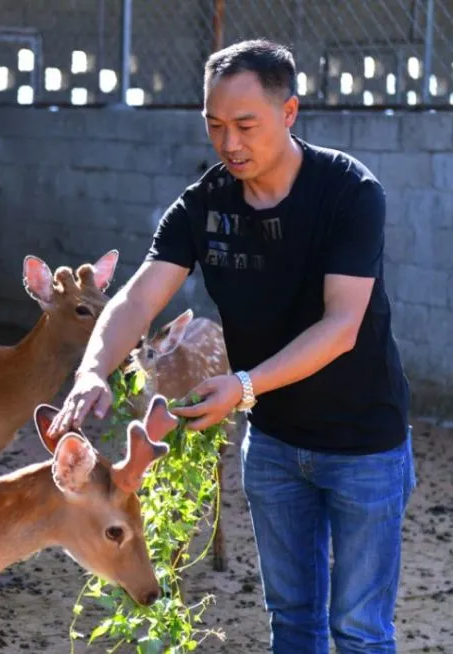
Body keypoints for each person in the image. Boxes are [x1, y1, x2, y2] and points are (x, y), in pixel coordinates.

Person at [48, 38, 415, 654]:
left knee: (358, 627)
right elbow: (138, 299)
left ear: (290, 112)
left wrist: (243, 388)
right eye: (215, 126)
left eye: (246, 125)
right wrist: (91, 370)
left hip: (364, 446)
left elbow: (341, 325)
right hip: (273, 445)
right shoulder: (205, 204)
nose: (230, 143)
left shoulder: (349, 192)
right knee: (293, 620)